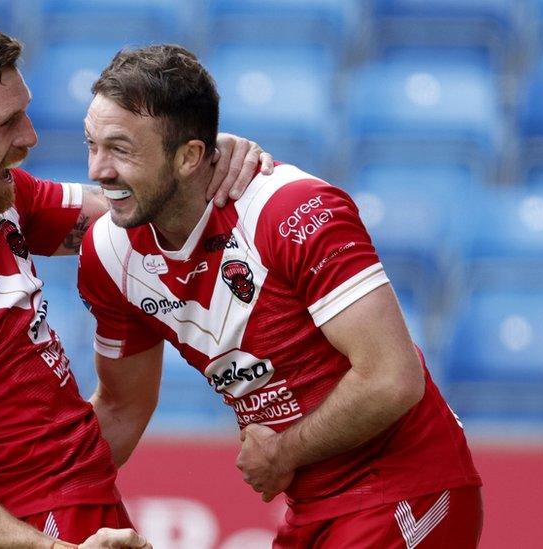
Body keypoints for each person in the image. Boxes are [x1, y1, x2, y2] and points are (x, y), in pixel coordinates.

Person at [0, 22, 273, 549]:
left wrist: (194, 158)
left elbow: (134, 210)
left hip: (81, 506)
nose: (30, 135)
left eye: (24, 111)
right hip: (36, 531)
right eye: (6, 123)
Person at [77, 44, 484, 548]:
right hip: (311, 507)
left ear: (189, 157)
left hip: (405, 490)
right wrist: (24, 509)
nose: (98, 169)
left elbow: (393, 379)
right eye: (91, 144)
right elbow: (121, 409)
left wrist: (285, 452)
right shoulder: (109, 252)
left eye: (120, 149)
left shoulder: (291, 209)